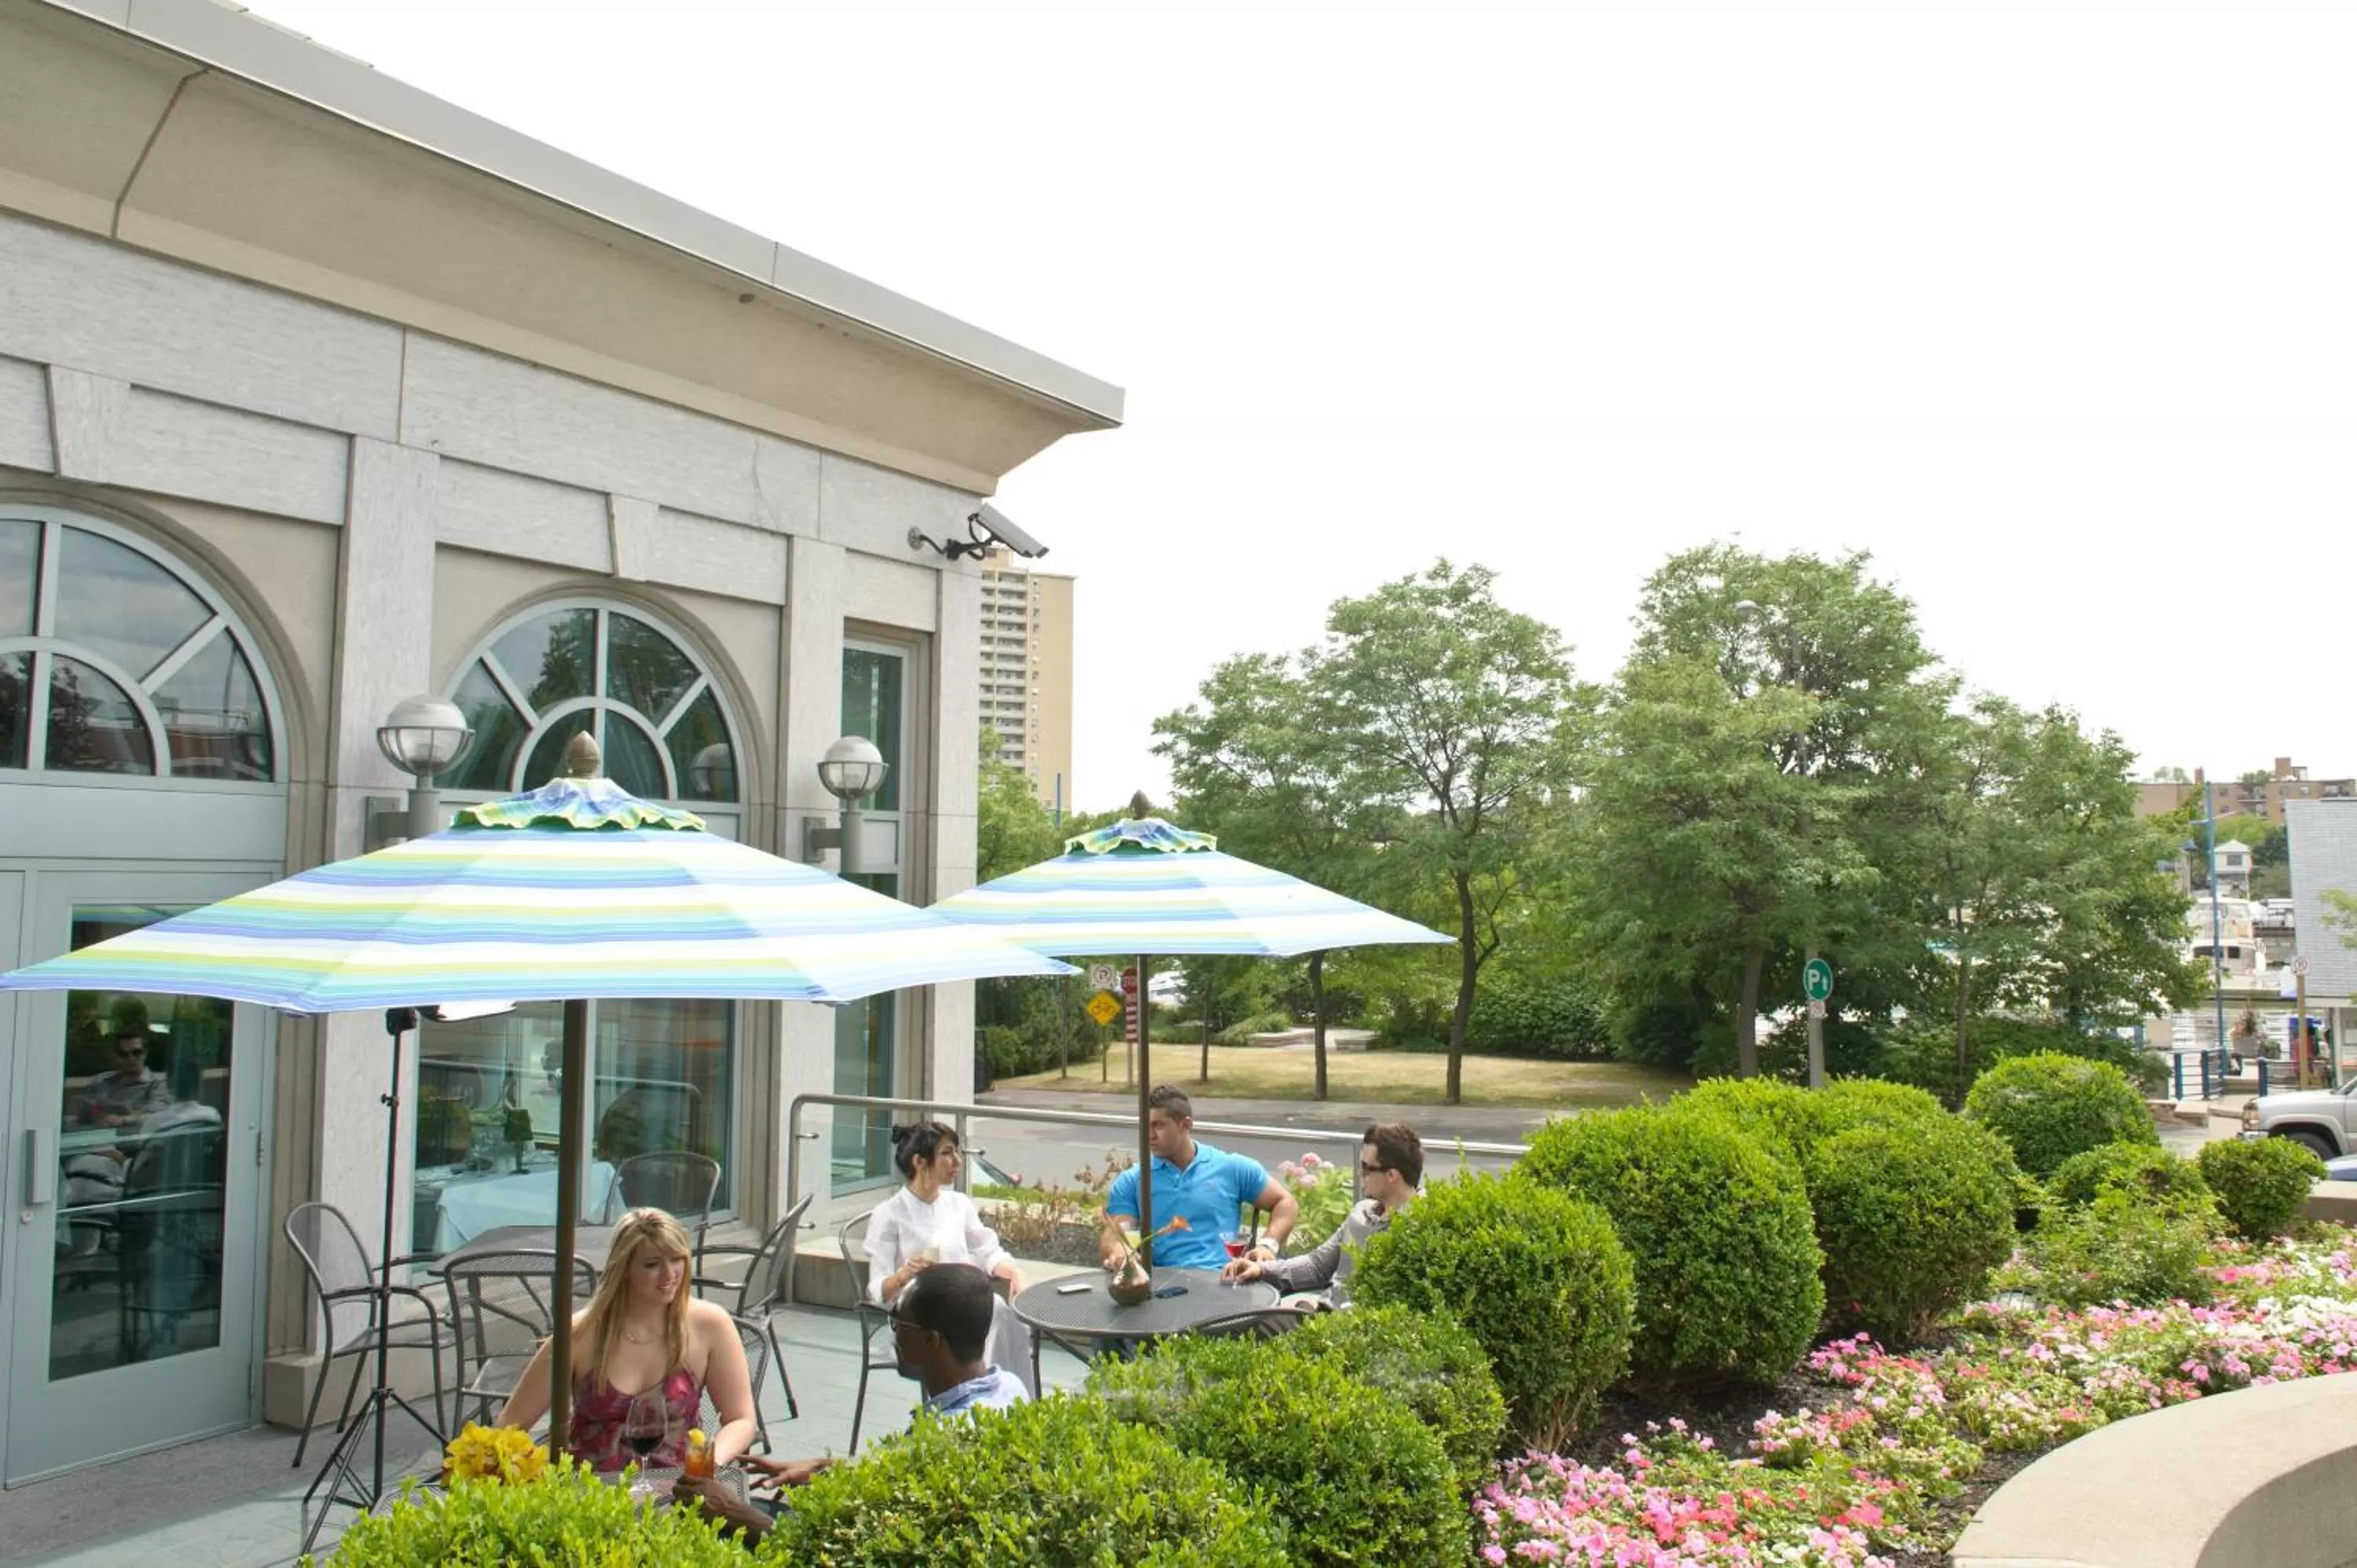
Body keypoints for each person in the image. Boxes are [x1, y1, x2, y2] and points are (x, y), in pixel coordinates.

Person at [676, 1262, 1026, 1538]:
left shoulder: (946, 1439)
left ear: (933, 1341)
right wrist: (824, 1469)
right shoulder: (1009, 1388)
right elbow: (904, 1485)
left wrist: (734, 1514)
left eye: (898, 1322)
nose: (894, 1334)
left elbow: (857, 1549)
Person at [497, 1207, 758, 1474]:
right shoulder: (579, 1335)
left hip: (681, 1493)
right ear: (624, 1269)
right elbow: (508, 1427)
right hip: (592, 1498)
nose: (669, 1275)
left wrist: (709, 1464)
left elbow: (742, 1420)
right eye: (652, 1264)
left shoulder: (710, 1324)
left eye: (677, 1259)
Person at [864, 1121, 1035, 1391]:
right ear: (920, 1162)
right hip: (917, 1318)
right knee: (988, 1315)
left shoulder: (958, 1204)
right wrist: (904, 1275)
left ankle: (1014, 1403)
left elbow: (987, 1251)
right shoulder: (889, 1214)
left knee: (1001, 1311)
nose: (957, 1161)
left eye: (956, 1152)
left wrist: (1014, 1272)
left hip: (965, 1303)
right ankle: (980, 1403)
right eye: (947, 1153)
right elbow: (876, 1290)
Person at [1222, 1122, 1422, 1311]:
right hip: (1324, 1314)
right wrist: (1262, 1270)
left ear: (1392, 1176)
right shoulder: (1361, 1213)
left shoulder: (1419, 1228)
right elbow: (1317, 1266)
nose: (1360, 1174)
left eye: (1366, 1167)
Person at [1099, 1084, 1297, 1273]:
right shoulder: (1133, 1181)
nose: (1149, 1135)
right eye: (1145, 1126)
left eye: (1158, 1126)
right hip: (1161, 1287)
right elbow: (1115, 1234)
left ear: (1185, 1125)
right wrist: (1117, 1250)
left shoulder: (1231, 1168)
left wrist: (1267, 1245)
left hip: (1223, 1281)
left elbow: (1285, 1202)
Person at [75, 1028, 172, 1127]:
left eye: (136, 1052)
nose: (131, 1058)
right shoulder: (101, 1080)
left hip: (130, 1138)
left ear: (145, 1053)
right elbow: (85, 1108)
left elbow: (156, 1114)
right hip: (97, 1135)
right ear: (116, 1056)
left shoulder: (156, 1084)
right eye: (123, 1054)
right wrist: (100, 1115)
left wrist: (122, 1120)